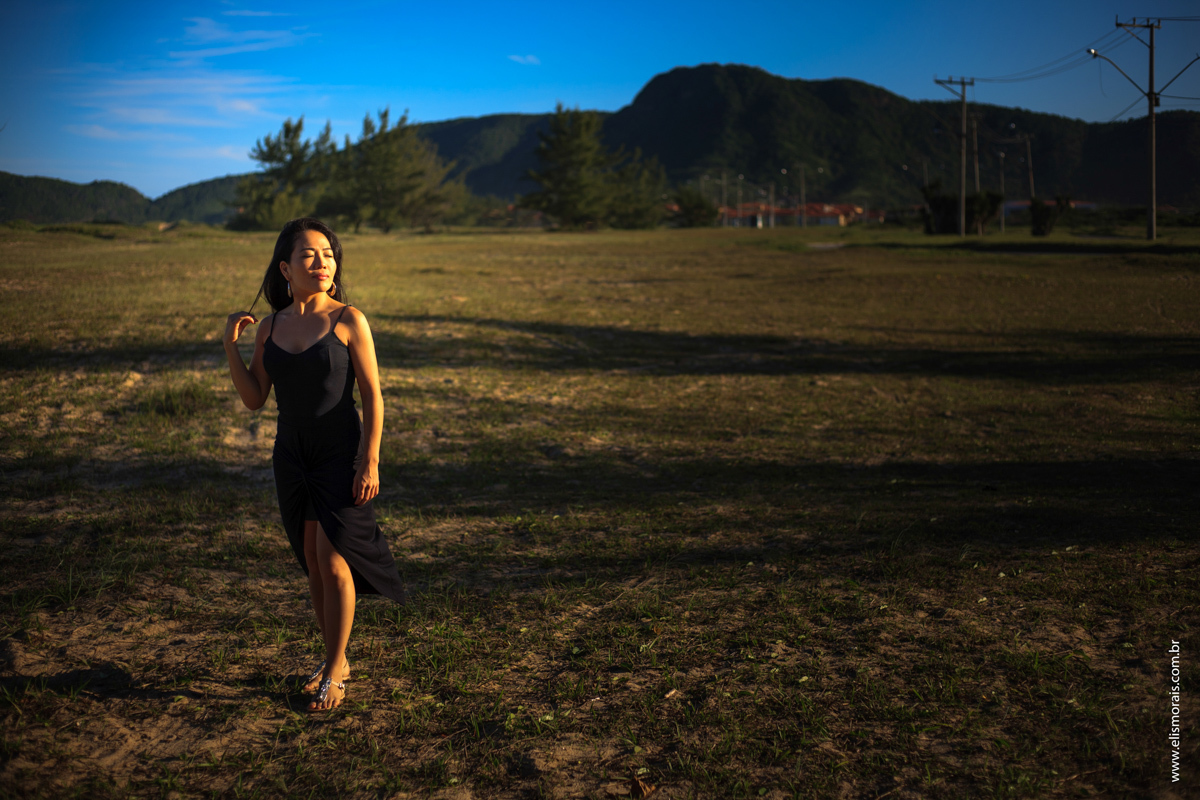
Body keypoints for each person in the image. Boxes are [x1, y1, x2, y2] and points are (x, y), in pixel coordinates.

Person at [223, 217, 406, 712]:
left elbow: (372, 394)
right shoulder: (271, 327)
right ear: (286, 268)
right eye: (309, 255)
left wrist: (369, 460)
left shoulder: (349, 319)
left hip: (340, 454)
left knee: (333, 560)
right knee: (312, 564)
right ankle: (335, 660)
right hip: (292, 456)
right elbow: (255, 399)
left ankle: (335, 668)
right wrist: (230, 349)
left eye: (328, 254)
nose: (322, 262)